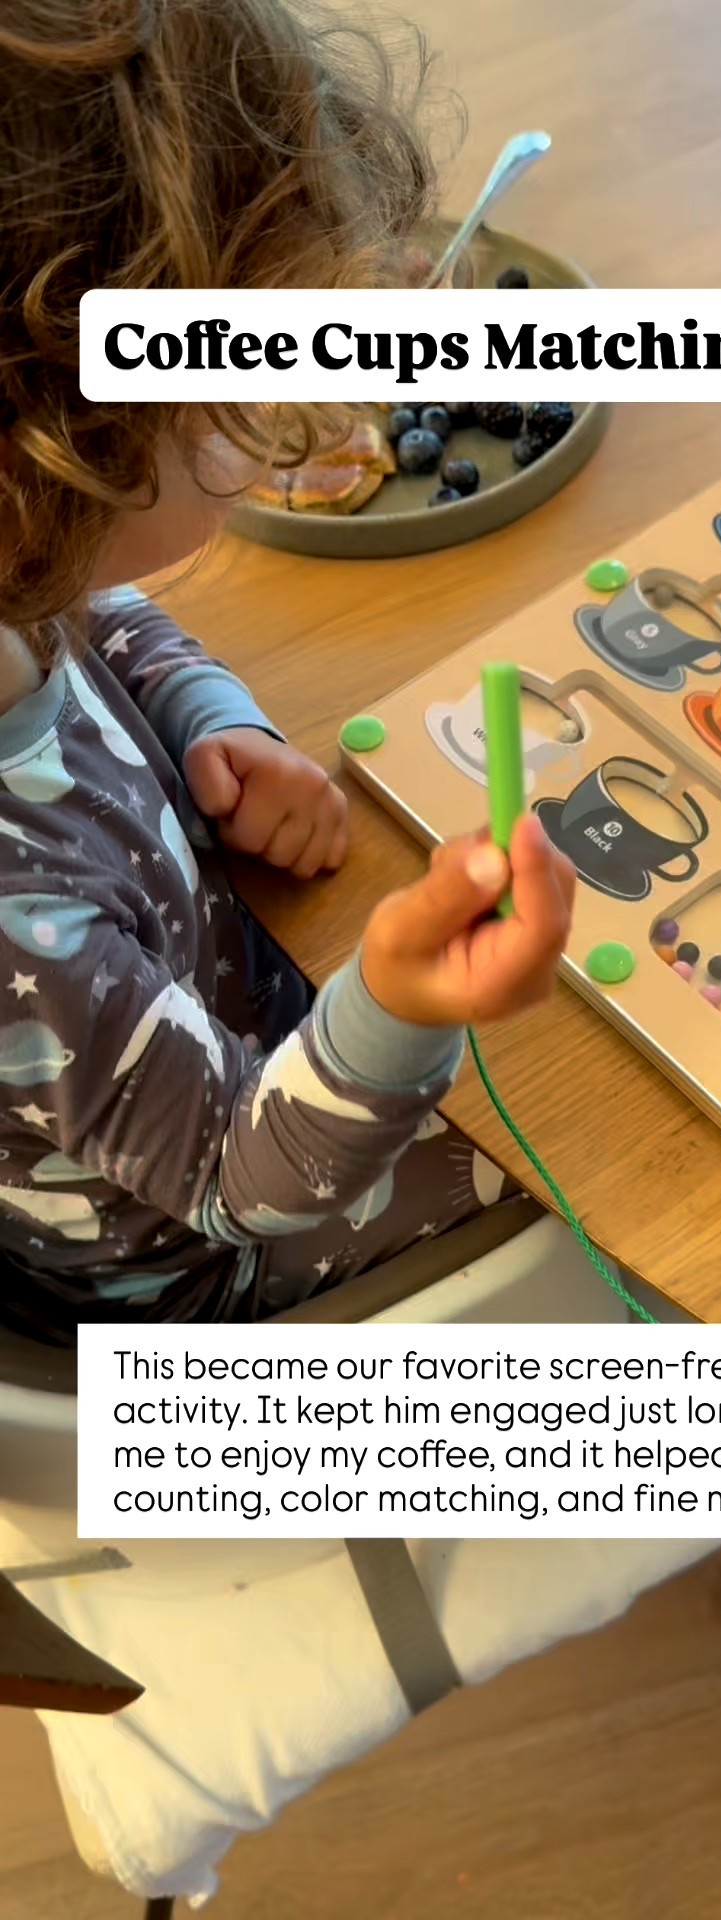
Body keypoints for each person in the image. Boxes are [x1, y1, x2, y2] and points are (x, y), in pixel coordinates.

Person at [0, 0, 574, 1343]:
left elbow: (102, 614)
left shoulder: (24, 574)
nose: (270, 438)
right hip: (214, 1272)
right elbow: (233, 1180)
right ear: (47, 469)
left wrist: (210, 718)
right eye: (236, 399)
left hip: (207, 1025)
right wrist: (400, 1010)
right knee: (591, 1167)